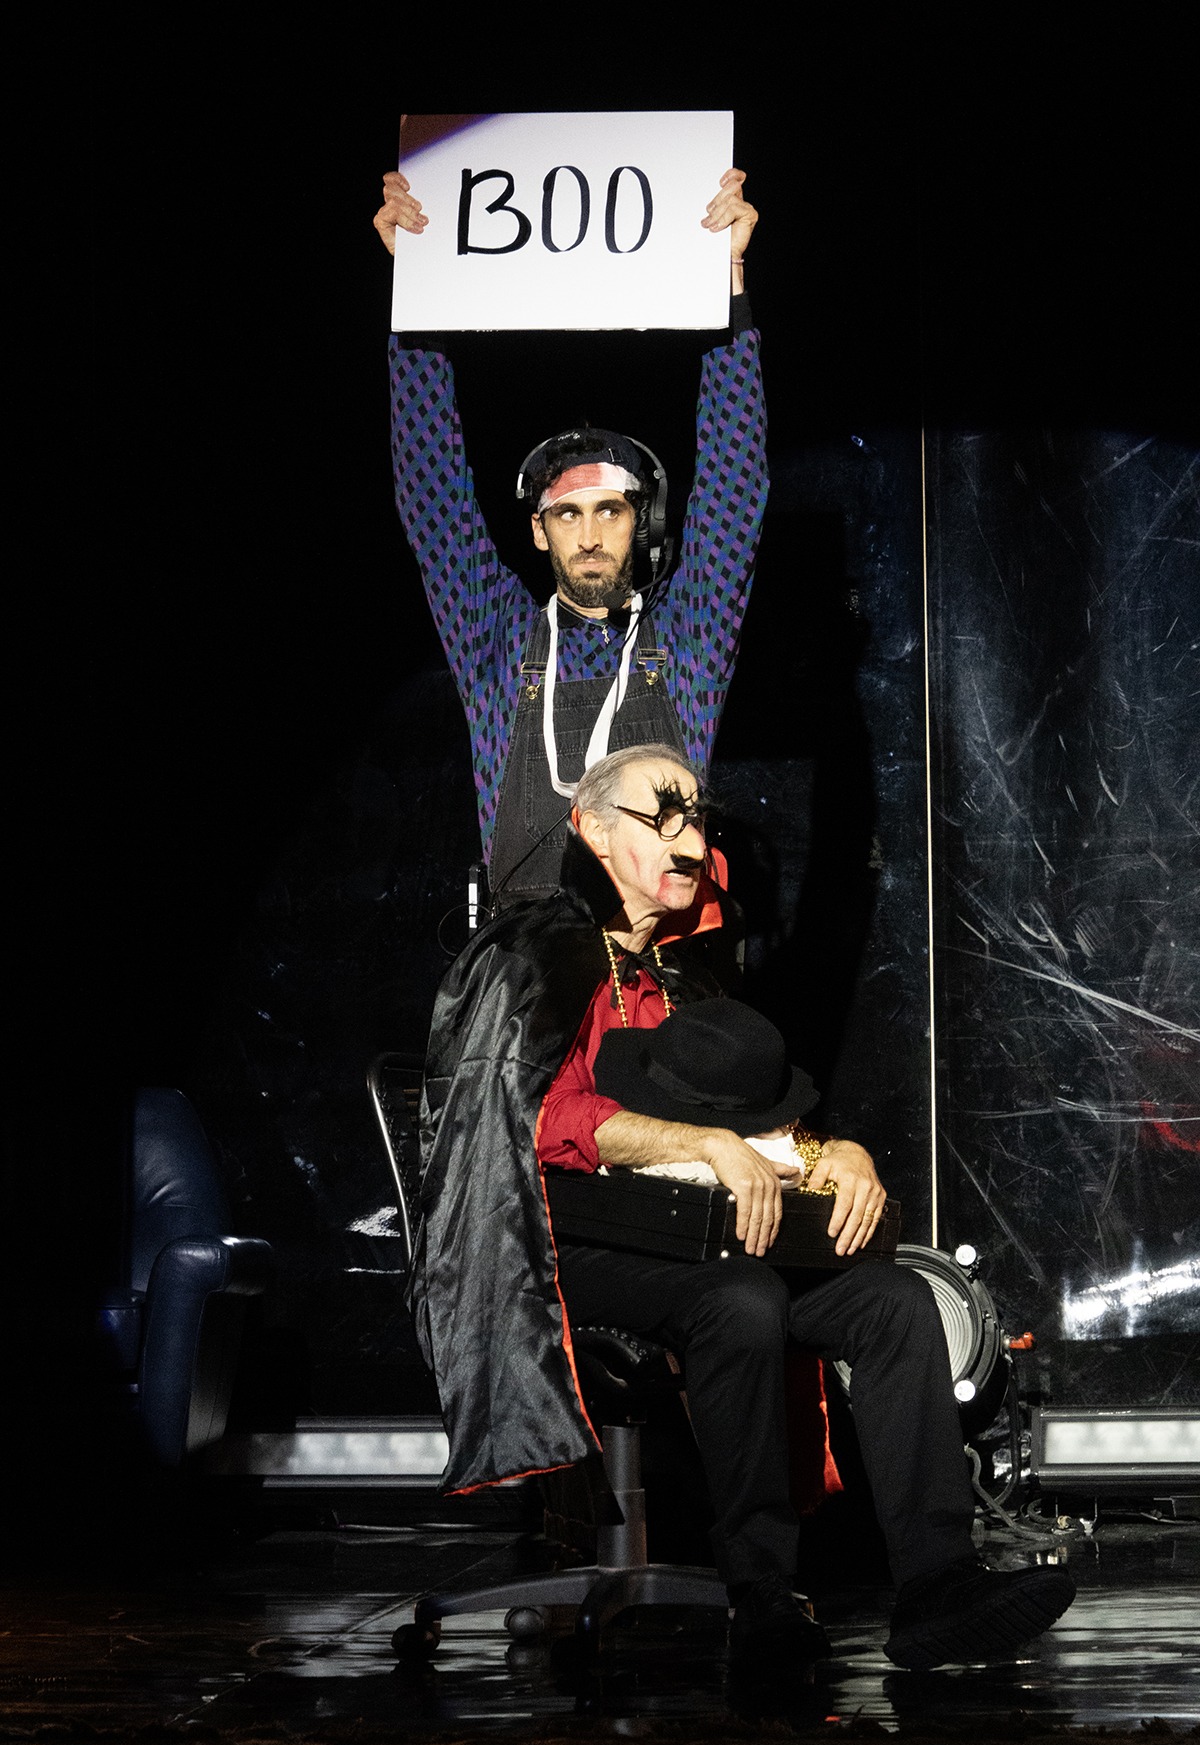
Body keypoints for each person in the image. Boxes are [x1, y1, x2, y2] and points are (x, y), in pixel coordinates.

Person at [415, 742, 1076, 1666]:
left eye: (697, 820)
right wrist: (699, 1145)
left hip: (703, 1238)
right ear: (592, 829)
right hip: (555, 1246)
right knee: (742, 1300)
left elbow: (756, 1126)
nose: (691, 842)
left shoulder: (683, 978)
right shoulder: (530, 957)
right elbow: (529, 1118)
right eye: (664, 816)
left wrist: (835, 1155)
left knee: (893, 1303)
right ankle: (762, 1594)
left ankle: (938, 1582)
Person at [374, 165, 766, 907]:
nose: (589, 534)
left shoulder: (689, 638)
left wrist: (728, 288)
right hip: (524, 962)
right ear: (539, 529)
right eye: (568, 514)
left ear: (642, 523)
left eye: (610, 511)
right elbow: (432, 497)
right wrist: (417, 294)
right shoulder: (495, 642)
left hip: (654, 961)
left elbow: (735, 488)